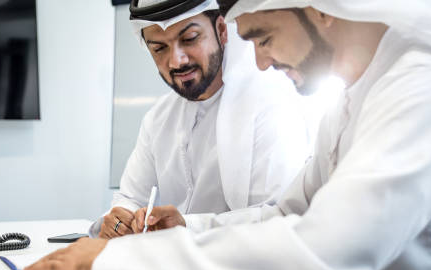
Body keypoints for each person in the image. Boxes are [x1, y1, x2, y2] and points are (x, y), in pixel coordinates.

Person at [24, 0, 431, 270]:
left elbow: (330, 249)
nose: (259, 60)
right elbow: (289, 213)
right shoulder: (351, 100)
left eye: (263, 36)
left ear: (321, 8)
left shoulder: (426, 83)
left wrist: (114, 263)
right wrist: (188, 228)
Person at [89, 0, 310, 239]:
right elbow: (130, 198)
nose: (177, 61)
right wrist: (121, 219)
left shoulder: (271, 101)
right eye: (159, 49)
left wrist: (187, 225)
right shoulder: (159, 118)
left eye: (190, 38)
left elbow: (278, 219)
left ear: (222, 30)